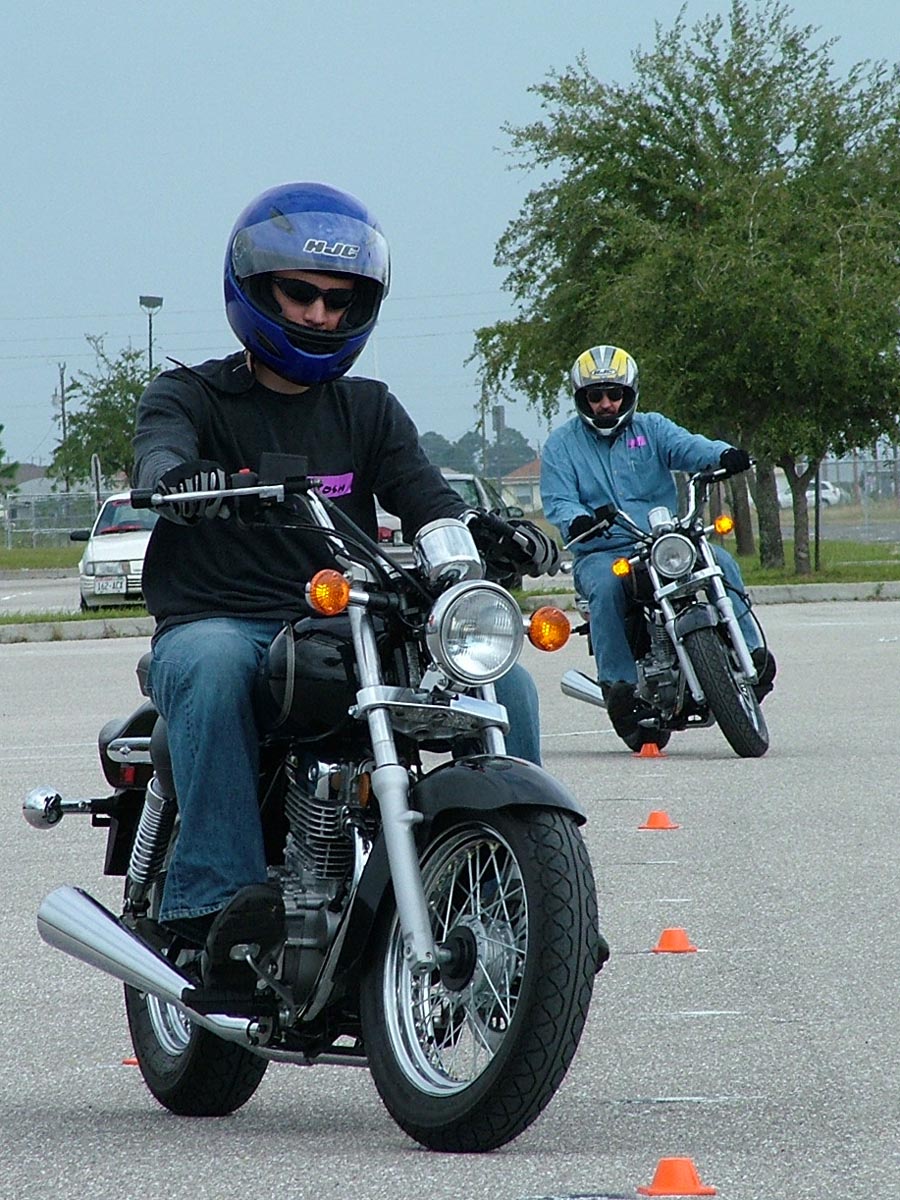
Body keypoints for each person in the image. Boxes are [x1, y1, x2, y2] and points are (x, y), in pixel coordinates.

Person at [132, 181, 558, 980]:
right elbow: (159, 449)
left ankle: (519, 896)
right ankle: (215, 904)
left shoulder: (368, 409)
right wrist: (174, 478)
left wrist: (483, 536)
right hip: (222, 619)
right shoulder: (190, 394)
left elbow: (426, 499)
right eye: (300, 294)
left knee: (508, 686)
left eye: (338, 299)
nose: (320, 314)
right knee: (213, 666)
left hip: (347, 621)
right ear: (257, 290)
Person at [540, 344, 775, 741]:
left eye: (614, 394)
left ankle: (752, 652)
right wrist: (577, 518)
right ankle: (620, 687)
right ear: (582, 398)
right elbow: (559, 499)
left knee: (719, 561)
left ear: (629, 394)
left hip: (662, 541)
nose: (606, 404)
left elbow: (691, 447)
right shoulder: (561, 445)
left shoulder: (652, 428)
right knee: (607, 587)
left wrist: (724, 454)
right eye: (595, 396)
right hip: (603, 548)